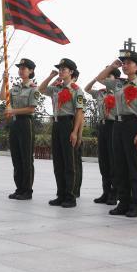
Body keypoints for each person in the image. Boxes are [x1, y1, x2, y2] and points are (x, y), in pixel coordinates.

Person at [94, 50, 137, 217]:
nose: (125, 65)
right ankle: (123, 202)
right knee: (119, 165)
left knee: (133, 166)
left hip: (133, 124)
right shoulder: (118, 84)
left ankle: (135, 203)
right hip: (117, 125)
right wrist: (112, 66)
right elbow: (99, 79)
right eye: (123, 63)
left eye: (128, 63)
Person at [39, 59, 85, 208]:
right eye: (59, 69)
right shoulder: (56, 88)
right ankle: (61, 194)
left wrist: (75, 132)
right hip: (57, 124)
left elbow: (79, 112)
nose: (61, 71)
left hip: (68, 123)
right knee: (58, 162)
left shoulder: (77, 90)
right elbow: (41, 89)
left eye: (64, 69)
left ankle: (70, 196)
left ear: (71, 72)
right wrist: (51, 76)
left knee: (69, 162)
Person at [5, 58, 40, 201]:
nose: (21, 70)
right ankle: (19, 188)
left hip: (26, 123)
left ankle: (27, 190)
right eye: (19, 68)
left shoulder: (33, 89)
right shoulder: (15, 88)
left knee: (26, 158)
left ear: (31, 71)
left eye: (24, 68)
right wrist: (4, 81)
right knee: (16, 157)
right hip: (15, 123)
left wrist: (13, 111)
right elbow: (3, 96)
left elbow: (31, 109)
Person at [85, 68, 119, 205]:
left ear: (116, 79)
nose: (105, 79)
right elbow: (87, 89)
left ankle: (114, 193)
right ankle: (105, 192)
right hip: (102, 126)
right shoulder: (100, 93)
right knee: (103, 161)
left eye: (108, 77)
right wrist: (95, 78)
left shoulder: (119, 91)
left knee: (113, 160)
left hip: (113, 125)